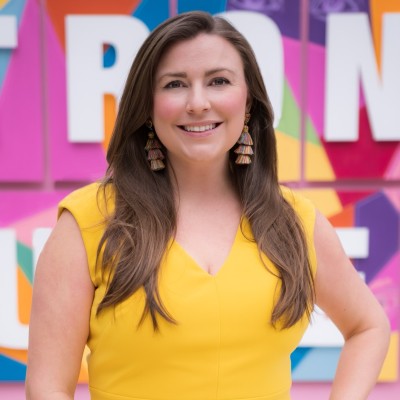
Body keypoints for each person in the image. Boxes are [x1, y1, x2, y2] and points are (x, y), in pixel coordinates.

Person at [25, 11, 390, 400]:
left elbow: (368, 327)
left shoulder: (294, 221)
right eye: (175, 84)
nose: (198, 103)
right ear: (147, 106)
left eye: (218, 81)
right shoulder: (87, 223)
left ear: (247, 102)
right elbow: (47, 387)